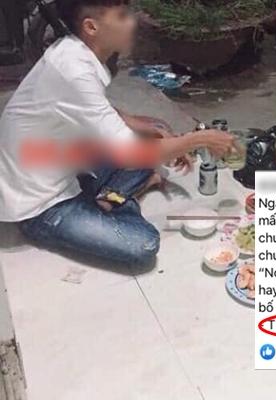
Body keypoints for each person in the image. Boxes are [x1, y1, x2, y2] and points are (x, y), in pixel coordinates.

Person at [0, 0, 234, 268]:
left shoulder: (73, 51)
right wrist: (198, 139)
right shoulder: (73, 71)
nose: (132, 22)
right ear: (92, 27)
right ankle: (109, 201)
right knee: (143, 244)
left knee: (152, 144)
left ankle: (110, 198)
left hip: (64, 164)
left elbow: (89, 105)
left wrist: (138, 125)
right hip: (39, 203)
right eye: (122, 16)